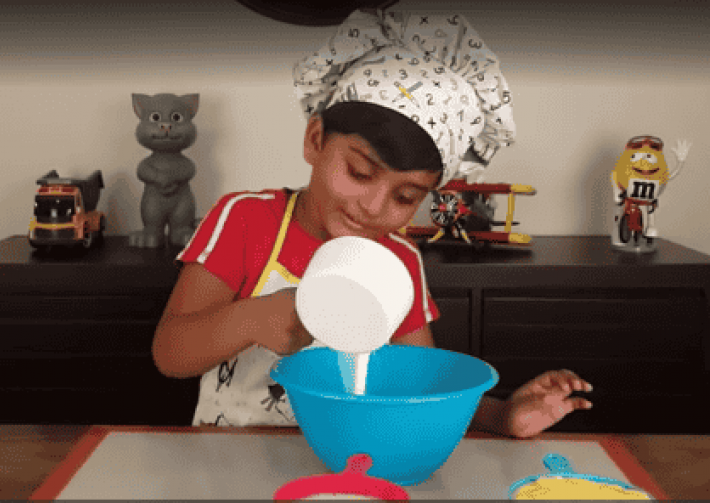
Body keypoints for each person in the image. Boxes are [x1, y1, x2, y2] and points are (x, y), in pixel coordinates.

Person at [152, 8, 592, 437]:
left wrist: (502, 416)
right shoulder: (245, 219)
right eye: (360, 173)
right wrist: (250, 320)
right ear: (315, 140)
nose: (374, 207)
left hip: (345, 462)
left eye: (406, 197)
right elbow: (170, 354)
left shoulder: (399, 261)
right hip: (227, 458)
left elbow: (419, 381)